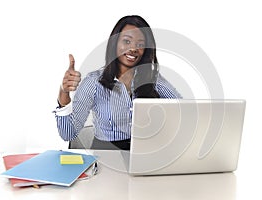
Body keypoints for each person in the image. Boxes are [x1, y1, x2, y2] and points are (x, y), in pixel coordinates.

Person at [54, 15, 181, 150]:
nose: (133, 48)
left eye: (140, 44)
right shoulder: (93, 82)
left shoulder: (152, 79)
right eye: (127, 41)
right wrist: (64, 93)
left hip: (145, 154)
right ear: (114, 43)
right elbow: (68, 133)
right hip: (106, 154)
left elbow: (183, 110)